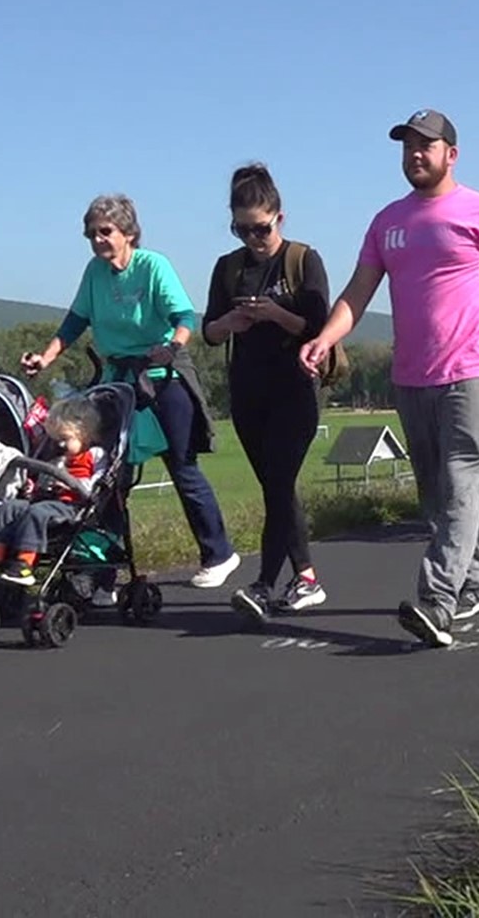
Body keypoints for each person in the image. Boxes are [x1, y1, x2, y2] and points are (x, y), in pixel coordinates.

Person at [298, 108, 479, 648]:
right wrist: (328, 336)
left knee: (463, 479)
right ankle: (477, 579)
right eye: (407, 147)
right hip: (411, 375)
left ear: (452, 153)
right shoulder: (388, 221)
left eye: (426, 145)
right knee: (435, 495)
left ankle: (438, 600)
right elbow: (358, 292)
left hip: (470, 369)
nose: (415, 155)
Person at [22, 193, 242, 590]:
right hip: (117, 377)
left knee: (182, 466)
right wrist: (47, 356)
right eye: (91, 234)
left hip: (163, 372)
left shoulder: (152, 266)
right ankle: (104, 574)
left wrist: (171, 347)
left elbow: (184, 317)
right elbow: (75, 321)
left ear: (127, 233)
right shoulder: (94, 273)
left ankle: (219, 554)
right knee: (108, 476)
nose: (98, 241)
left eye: (105, 232)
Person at [202, 164, 332, 625]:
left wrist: (277, 314)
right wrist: (229, 324)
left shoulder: (302, 260)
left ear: (280, 217)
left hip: (295, 387)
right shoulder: (228, 268)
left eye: (260, 228)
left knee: (279, 482)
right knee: (275, 488)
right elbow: (209, 332)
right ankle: (307, 578)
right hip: (247, 389)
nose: (252, 239)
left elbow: (320, 327)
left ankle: (264, 583)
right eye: (242, 229)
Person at [0, 399, 105, 588]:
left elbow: (97, 483)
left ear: (86, 435)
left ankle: (24, 564)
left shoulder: (95, 454)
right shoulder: (58, 459)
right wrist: (33, 488)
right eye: (58, 440)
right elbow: (42, 481)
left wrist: (71, 485)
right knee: (7, 508)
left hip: (72, 506)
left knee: (37, 513)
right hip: (45, 500)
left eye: (66, 439)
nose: (61, 445)